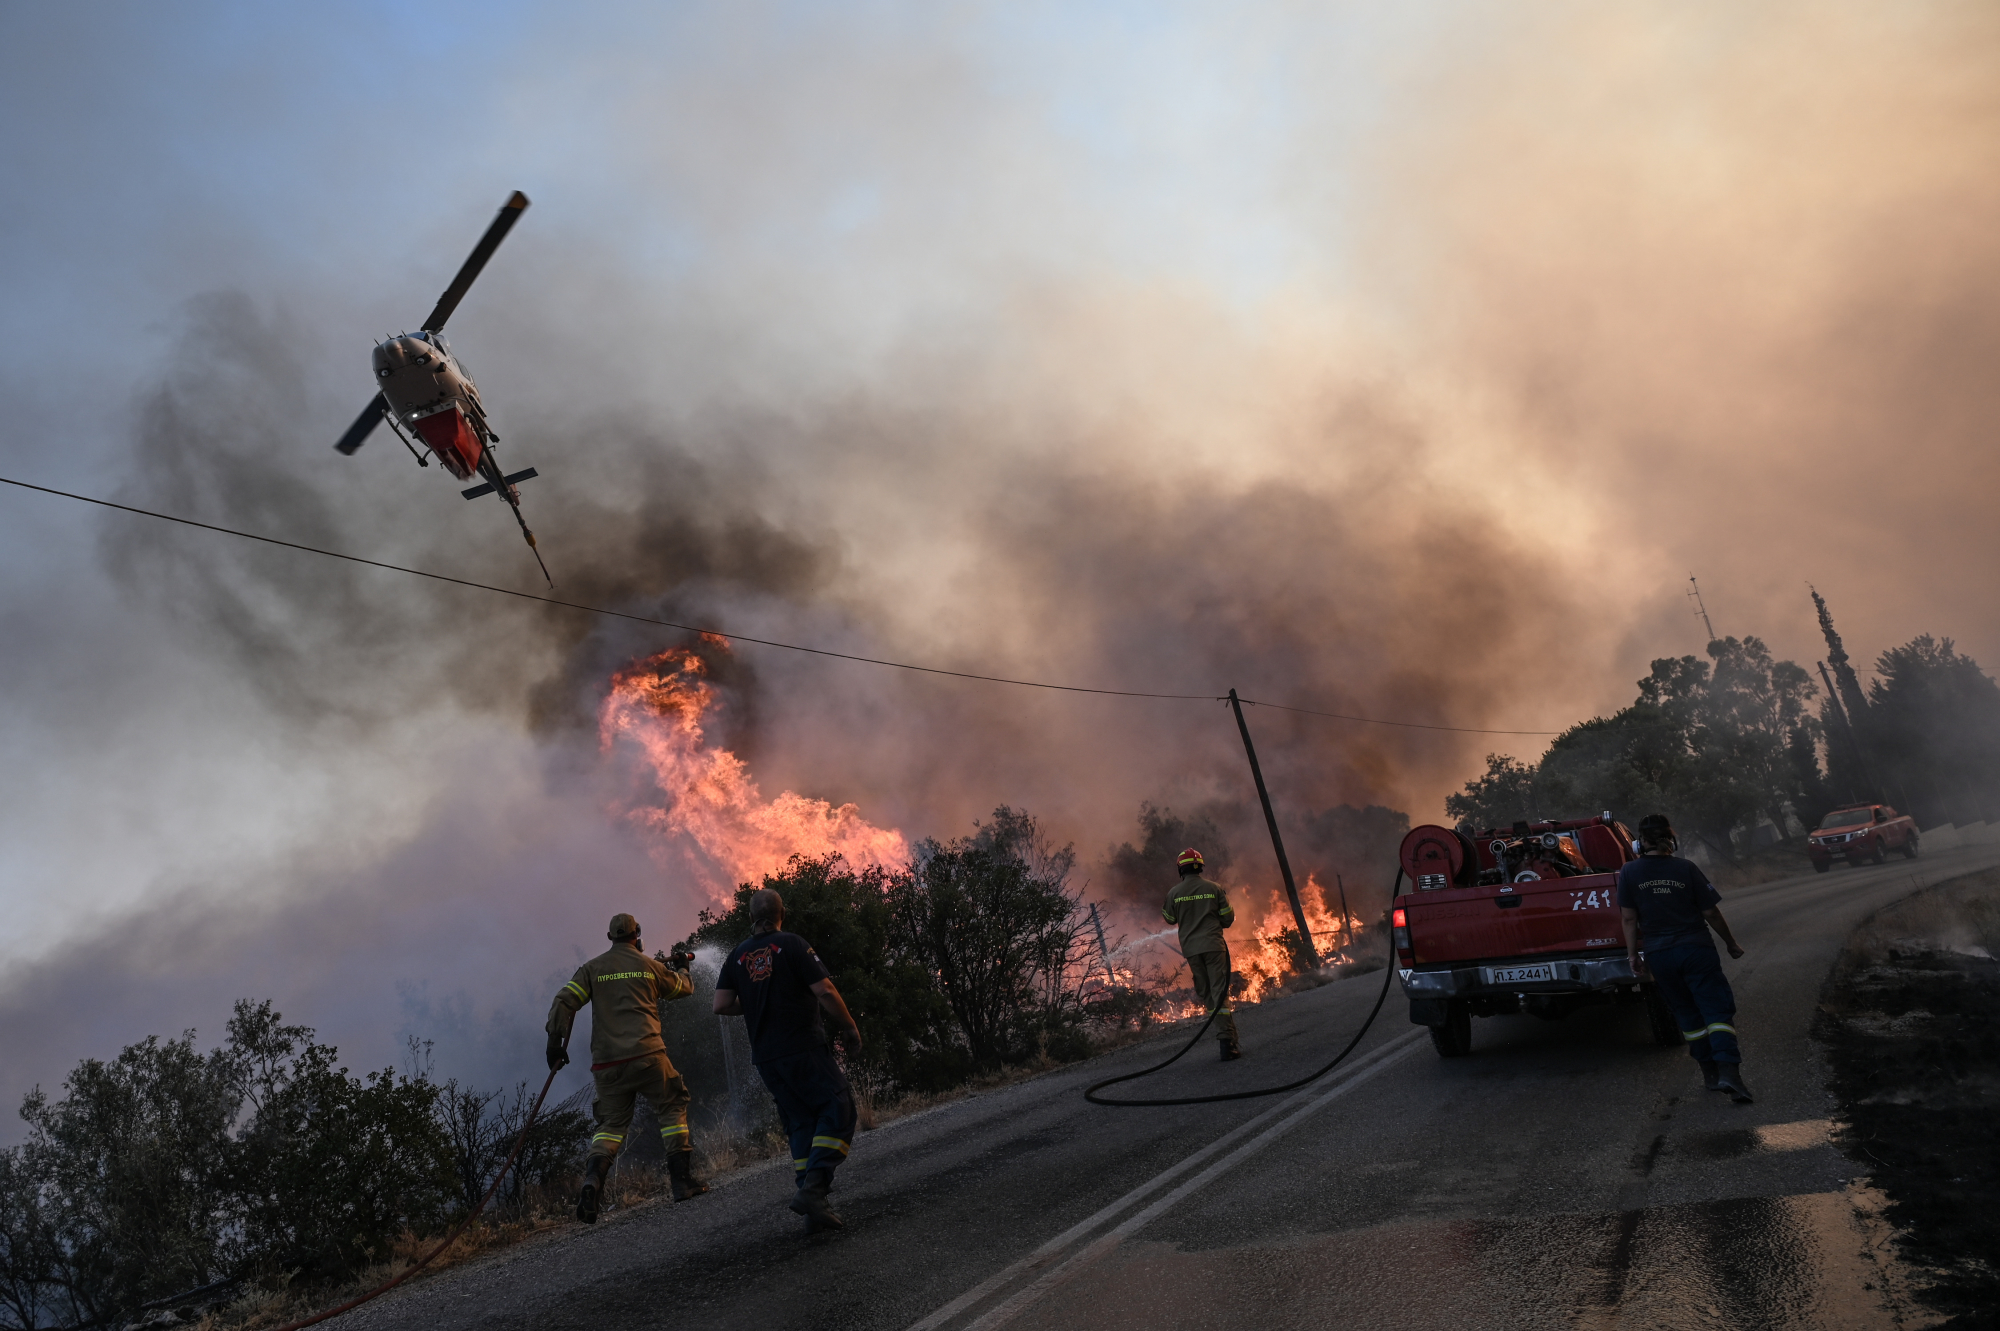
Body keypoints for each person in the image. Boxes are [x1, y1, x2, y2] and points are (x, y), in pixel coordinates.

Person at [714, 889, 864, 1233]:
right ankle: (814, 1190)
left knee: (800, 1123)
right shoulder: (793, 944)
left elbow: (720, 1005)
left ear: (750, 917)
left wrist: (753, 1006)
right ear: (783, 913)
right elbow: (825, 991)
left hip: (767, 1059)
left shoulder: (737, 955)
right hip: (803, 1048)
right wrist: (849, 1025)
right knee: (838, 1109)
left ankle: (811, 1205)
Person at [546, 913, 709, 1223]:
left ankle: (593, 1181)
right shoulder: (650, 966)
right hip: (648, 1055)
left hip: (608, 1064)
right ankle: (681, 1181)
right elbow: (683, 988)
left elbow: (564, 1001)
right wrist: (683, 967)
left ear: (610, 938)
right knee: (672, 1106)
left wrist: (554, 1042)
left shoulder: (592, 969)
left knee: (610, 1125)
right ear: (638, 934)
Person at [1617, 814, 1753, 1103]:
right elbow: (1711, 912)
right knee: (1716, 1011)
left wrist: (1633, 955)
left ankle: (1710, 1074)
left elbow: (1628, 919)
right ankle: (1730, 1072)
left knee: (1688, 1016)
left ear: (1641, 842)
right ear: (1670, 840)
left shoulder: (1628, 873)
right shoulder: (1686, 868)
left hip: (1659, 955)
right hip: (1695, 950)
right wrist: (1730, 942)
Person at [1163, 847, 1241, 1061]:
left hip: (1191, 950)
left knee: (1207, 994)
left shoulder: (1174, 893)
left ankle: (1227, 1038)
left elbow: (1168, 917)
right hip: (1214, 947)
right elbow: (1227, 918)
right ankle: (1227, 1042)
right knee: (1219, 993)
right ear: (1200, 867)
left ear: (1181, 869)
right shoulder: (1214, 888)